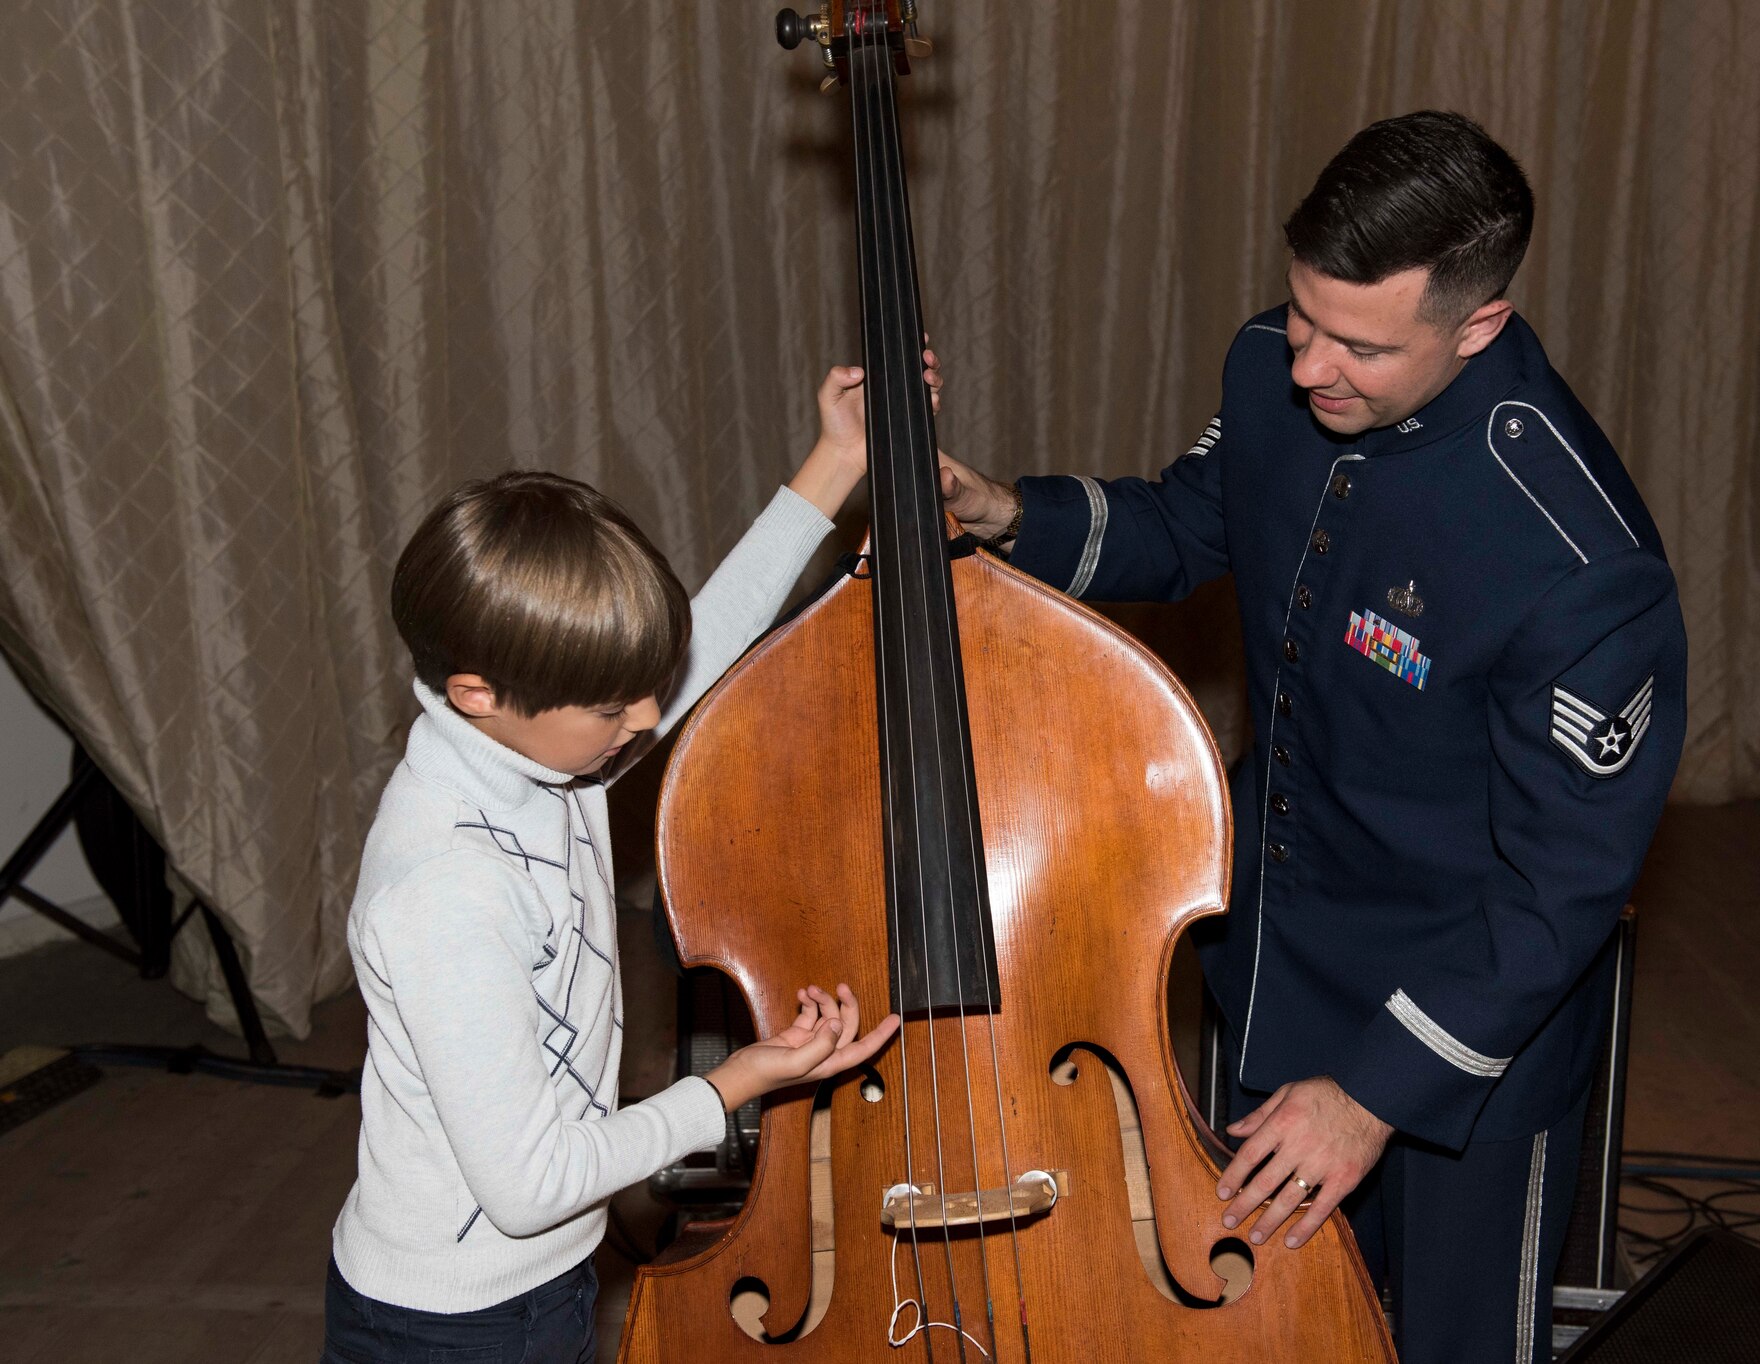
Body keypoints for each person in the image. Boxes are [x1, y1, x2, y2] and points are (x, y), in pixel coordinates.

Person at [939, 111, 1686, 1364]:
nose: (1307, 369)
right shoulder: (1269, 371)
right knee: (1272, 1329)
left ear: (1478, 325)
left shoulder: (1576, 560)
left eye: (1360, 345)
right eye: (1301, 316)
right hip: (1284, 958)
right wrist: (1008, 512)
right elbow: (1188, 524)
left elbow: (1561, 888)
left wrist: (1372, 1094)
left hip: (1467, 1038)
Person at [322, 358, 934, 1363]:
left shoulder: (536, 760)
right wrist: (736, 1080)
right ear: (481, 691)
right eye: (613, 707)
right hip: (455, 1321)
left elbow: (704, 640)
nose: (648, 719)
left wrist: (837, 460)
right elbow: (531, 1185)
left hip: (533, 1280)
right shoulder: (448, 887)